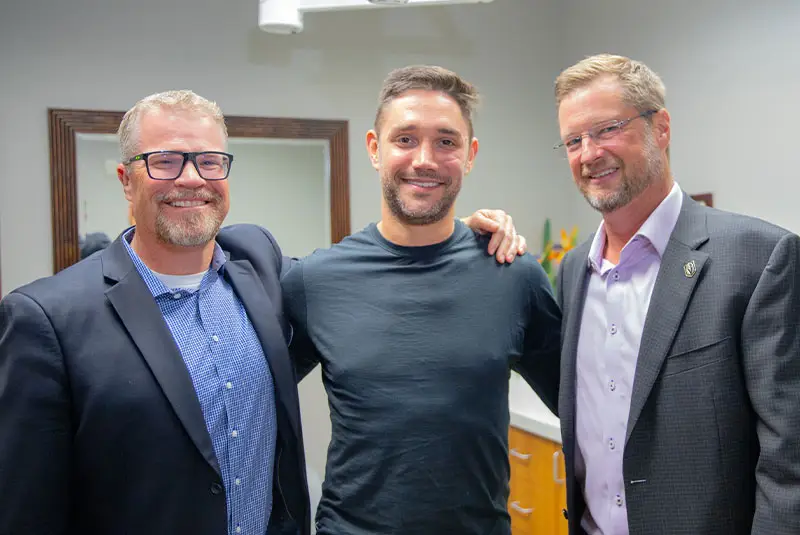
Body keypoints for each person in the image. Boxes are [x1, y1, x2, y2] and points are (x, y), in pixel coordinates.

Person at [0, 90, 525, 535]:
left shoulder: (261, 266)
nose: (190, 179)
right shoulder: (46, 318)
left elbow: (372, 282)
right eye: (165, 161)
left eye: (209, 161)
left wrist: (463, 239)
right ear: (126, 178)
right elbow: (26, 508)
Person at [281, 65, 562, 535]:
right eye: (405, 139)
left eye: (446, 142)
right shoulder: (315, 281)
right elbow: (248, 405)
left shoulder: (513, 276)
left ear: (470, 155)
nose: (425, 159)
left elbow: (586, 407)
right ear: (375, 148)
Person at [553, 53, 800, 535]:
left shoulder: (758, 258)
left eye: (606, 129)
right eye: (573, 140)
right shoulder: (571, 271)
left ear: (660, 128)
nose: (589, 153)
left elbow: (790, 459)